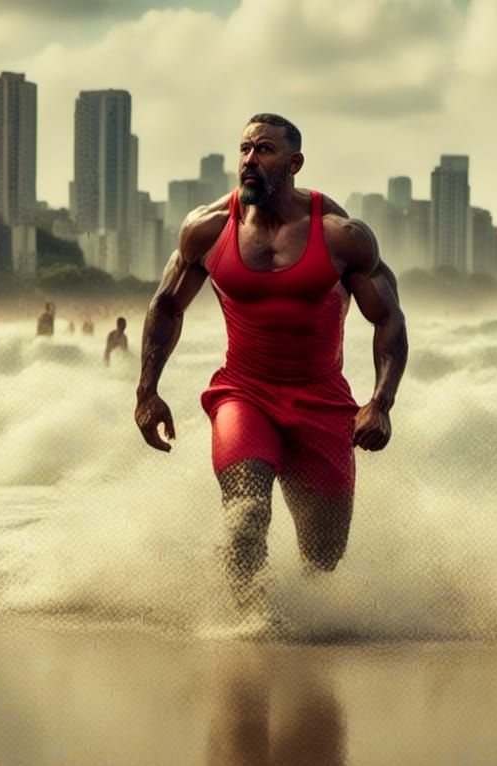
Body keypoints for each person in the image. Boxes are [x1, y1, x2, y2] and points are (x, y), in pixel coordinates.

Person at [135, 113, 408, 603]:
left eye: (264, 150)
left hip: (323, 405)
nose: (249, 161)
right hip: (244, 394)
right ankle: (247, 629)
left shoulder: (341, 236)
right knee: (246, 515)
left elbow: (388, 319)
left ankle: (302, 647)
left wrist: (381, 403)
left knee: (322, 564)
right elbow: (167, 306)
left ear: (294, 162)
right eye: (244, 150)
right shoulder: (208, 229)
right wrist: (146, 391)